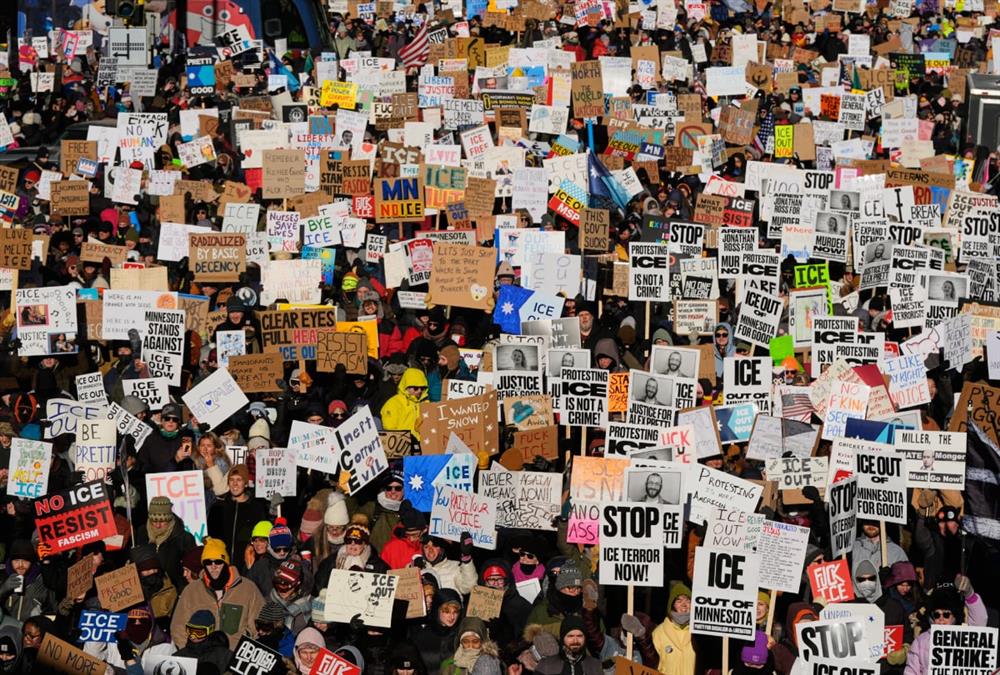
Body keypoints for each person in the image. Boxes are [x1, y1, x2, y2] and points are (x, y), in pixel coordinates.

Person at [171, 538, 265, 650]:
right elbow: (178, 628)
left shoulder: (247, 588)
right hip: (202, 661)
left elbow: (260, 628)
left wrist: (244, 654)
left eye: (218, 561)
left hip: (234, 660)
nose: (213, 566)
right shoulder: (191, 591)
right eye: (208, 562)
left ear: (226, 563)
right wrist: (192, 654)